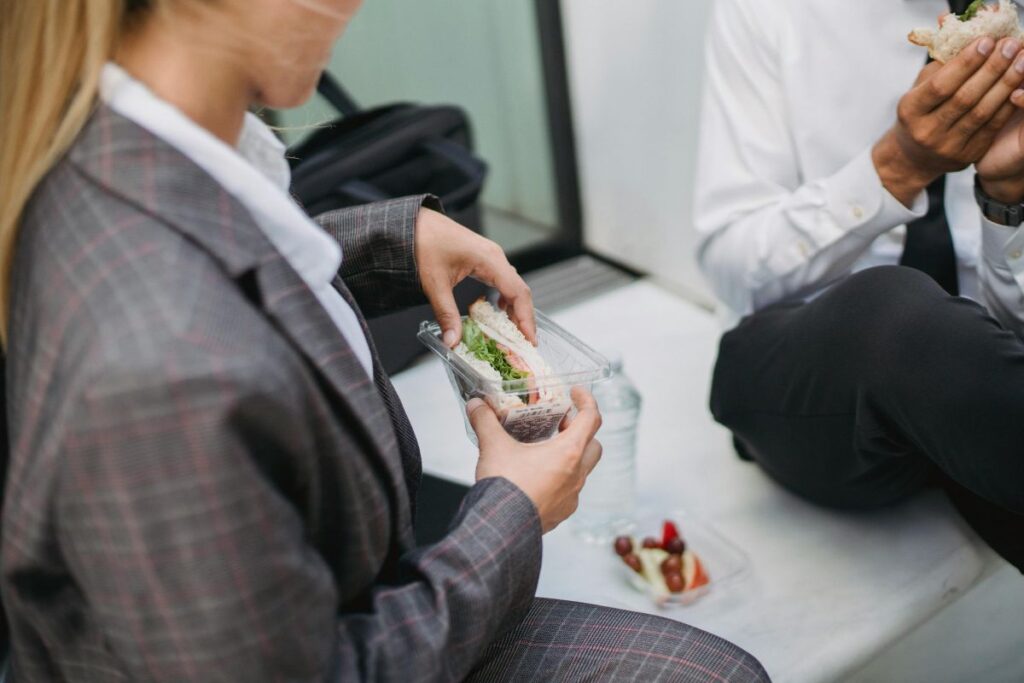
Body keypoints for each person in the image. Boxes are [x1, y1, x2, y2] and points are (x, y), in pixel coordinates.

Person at [0, 1, 770, 681]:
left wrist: (394, 239)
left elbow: (240, 261)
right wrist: (511, 514)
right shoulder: (162, 362)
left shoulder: (131, 151)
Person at [696, 0, 1024, 572]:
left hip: (982, 403)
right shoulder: (771, 13)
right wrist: (896, 166)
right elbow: (731, 264)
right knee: (897, 311)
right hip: (821, 395)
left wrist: (1006, 200)